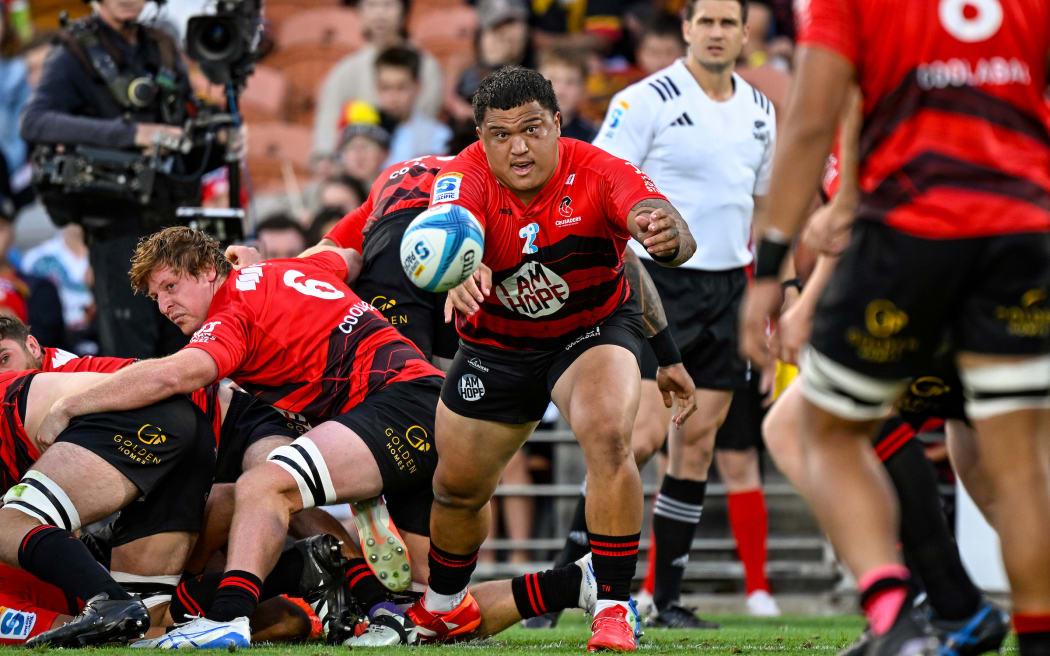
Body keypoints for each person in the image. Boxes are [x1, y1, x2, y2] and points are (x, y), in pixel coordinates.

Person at [738, 0, 1050, 654]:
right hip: (1019, 231)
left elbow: (814, 118)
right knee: (1013, 467)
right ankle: (980, 616)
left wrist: (773, 267)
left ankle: (905, 613)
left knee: (813, 428)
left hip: (912, 239)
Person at [30, 226, 443, 648]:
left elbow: (174, 373)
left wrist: (69, 406)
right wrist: (261, 262)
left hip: (395, 405)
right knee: (436, 606)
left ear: (210, 270)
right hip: (424, 404)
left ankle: (228, 616)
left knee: (264, 485)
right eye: (157, 297)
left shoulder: (231, 313)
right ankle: (391, 610)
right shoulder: (283, 269)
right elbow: (350, 258)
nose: (166, 305)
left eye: (172, 286)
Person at [401, 66, 695, 653]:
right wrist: (458, 271)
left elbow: (655, 237)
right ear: (481, 138)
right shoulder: (464, 177)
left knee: (610, 437)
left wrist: (667, 235)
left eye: (532, 129)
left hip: (589, 333)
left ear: (557, 124)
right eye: (501, 134)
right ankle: (441, 608)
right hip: (495, 346)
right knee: (456, 491)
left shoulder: (600, 170)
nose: (519, 147)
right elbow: (449, 227)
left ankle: (613, 607)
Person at [591, 0, 777, 626]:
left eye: (730, 22)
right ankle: (572, 575)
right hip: (656, 285)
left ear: (747, 33)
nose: (719, 32)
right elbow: (599, 176)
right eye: (708, 21)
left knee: (694, 445)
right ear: (687, 29)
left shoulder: (760, 110)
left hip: (729, 287)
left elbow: (764, 203)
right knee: (634, 439)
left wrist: (779, 285)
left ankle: (663, 599)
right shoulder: (646, 98)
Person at [20, 0, 223, 359]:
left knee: (190, 351)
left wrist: (221, 142)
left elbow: (186, 140)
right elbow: (35, 122)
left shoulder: (162, 45)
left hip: (175, 226)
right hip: (117, 229)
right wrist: (130, 134)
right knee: (133, 362)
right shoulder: (73, 52)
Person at [311, 0, 443, 162]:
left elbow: (426, 117)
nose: (380, 14)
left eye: (388, 5)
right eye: (371, 5)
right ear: (360, 12)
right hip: (358, 169)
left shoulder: (426, 65)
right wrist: (326, 157)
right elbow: (328, 120)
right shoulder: (345, 70)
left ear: (404, 10)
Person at [373, 46, 451, 167]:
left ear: (418, 87)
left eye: (401, 88)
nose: (392, 97)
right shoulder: (361, 133)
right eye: (385, 87)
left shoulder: (438, 135)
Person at [537, 46, 598, 143]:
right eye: (553, 80)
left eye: (570, 82)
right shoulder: (516, 131)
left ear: (582, 90)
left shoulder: (592, 139)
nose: (561, 90)